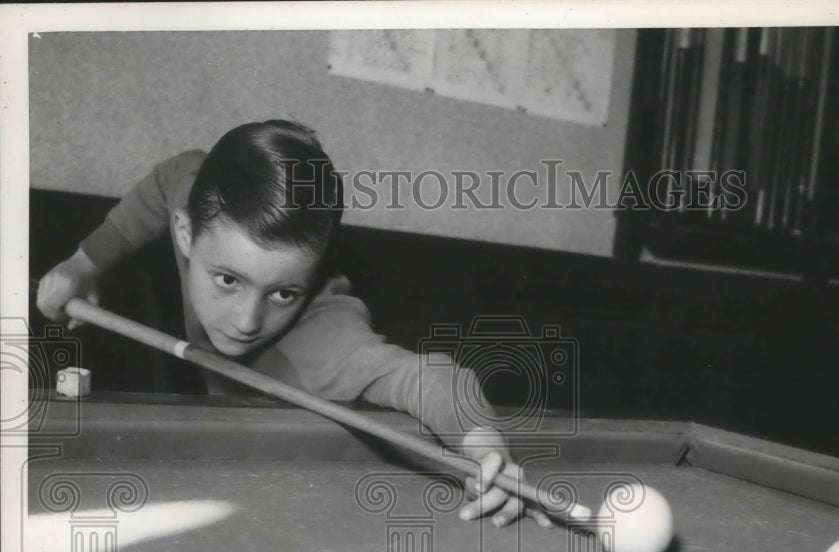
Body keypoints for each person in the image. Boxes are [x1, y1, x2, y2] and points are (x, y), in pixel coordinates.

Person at [36, 119, 548, 528]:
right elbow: (174, 176)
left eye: (284, 292)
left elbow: (432, 378)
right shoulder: (198, 199)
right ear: (186, 234)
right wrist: (85, 263)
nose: (248, 321)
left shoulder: (326, 337)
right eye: (228, 281)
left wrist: (483, 447)